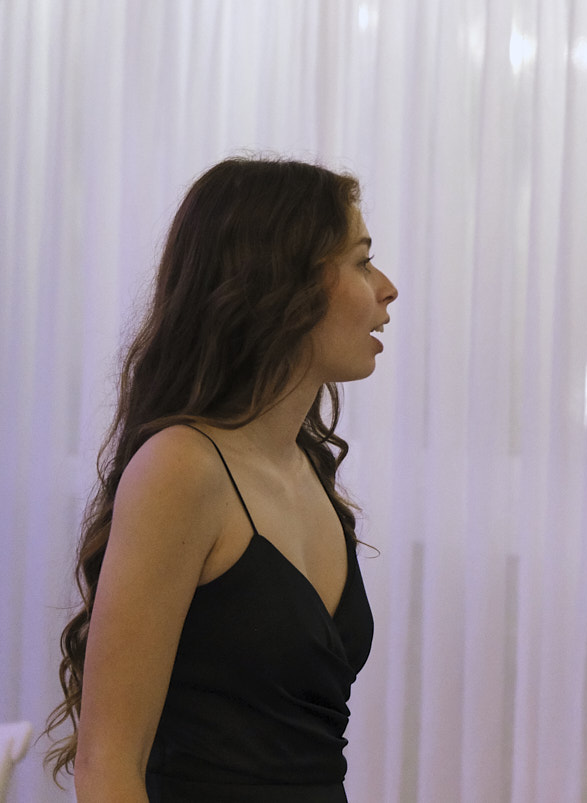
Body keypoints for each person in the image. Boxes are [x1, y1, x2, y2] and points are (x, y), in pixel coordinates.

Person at [44, 157, 397, 802]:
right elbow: (108, 766)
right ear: (284, 283)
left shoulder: (307, 466)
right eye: (363, 262)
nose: (388, 288)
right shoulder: (180, 468)